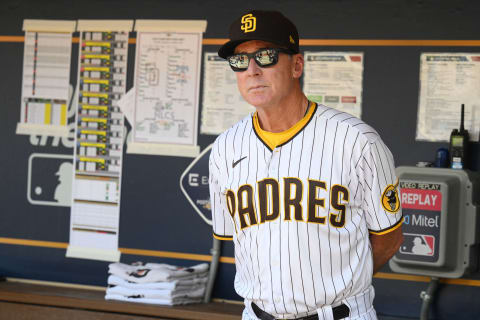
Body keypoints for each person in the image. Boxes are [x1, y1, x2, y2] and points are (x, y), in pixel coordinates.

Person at [209, 10, 403, 320]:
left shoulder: (355, 140)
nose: (252, 70)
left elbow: (389, 237)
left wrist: (344, 279)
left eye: (266, 56)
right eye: (240, 60)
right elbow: (236, 240)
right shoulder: (224, 148)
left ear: (297, 64)